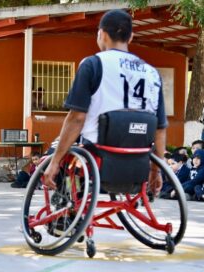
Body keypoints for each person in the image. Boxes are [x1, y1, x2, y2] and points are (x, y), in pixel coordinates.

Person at [43, 9, 168, 196]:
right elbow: (160, 128)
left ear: (101, 34)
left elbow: (77, 118)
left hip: (99, 149)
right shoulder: (152, 73)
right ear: (131, 37)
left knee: (60, 151)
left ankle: (65, 210)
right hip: (139, 150)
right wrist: (156, 169)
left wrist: (54, 161)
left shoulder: (93, 64)